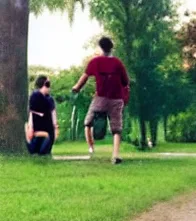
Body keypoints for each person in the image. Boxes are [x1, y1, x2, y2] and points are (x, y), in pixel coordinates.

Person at [72, 36, 129, 164]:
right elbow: (126, 82)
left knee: (87, 123)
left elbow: (84, 77)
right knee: (116, 129)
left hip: (100, 99)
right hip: (116, 99)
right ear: (111, 48)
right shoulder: (118, 63)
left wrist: (76, 88)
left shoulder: (95, 62)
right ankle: (115, 155)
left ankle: (91, 147)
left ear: (100, 47)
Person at [26, 75, 59, 155]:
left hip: (47, 128)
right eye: (47, 84)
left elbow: (53, 113)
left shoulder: (49, 99)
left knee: (44, 150)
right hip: (38, 129)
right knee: (36, 148)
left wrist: (55, 127)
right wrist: (30, 127)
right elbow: (32, 112)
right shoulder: (35, 96)